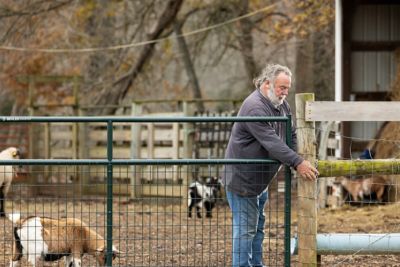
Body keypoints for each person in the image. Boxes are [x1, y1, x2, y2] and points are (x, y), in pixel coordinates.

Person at [222, 63, 319, 267]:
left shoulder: (281, 105)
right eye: (281, 87)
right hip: (243, 179)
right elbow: (272, 142)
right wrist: (298, 162)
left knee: (257, 227)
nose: (285, 92)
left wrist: (303, 153)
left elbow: (289, 134)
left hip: (260, 179)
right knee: (245, 229)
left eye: (287, 88)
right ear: (267, 84)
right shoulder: (254, 107)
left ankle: (256, 264)